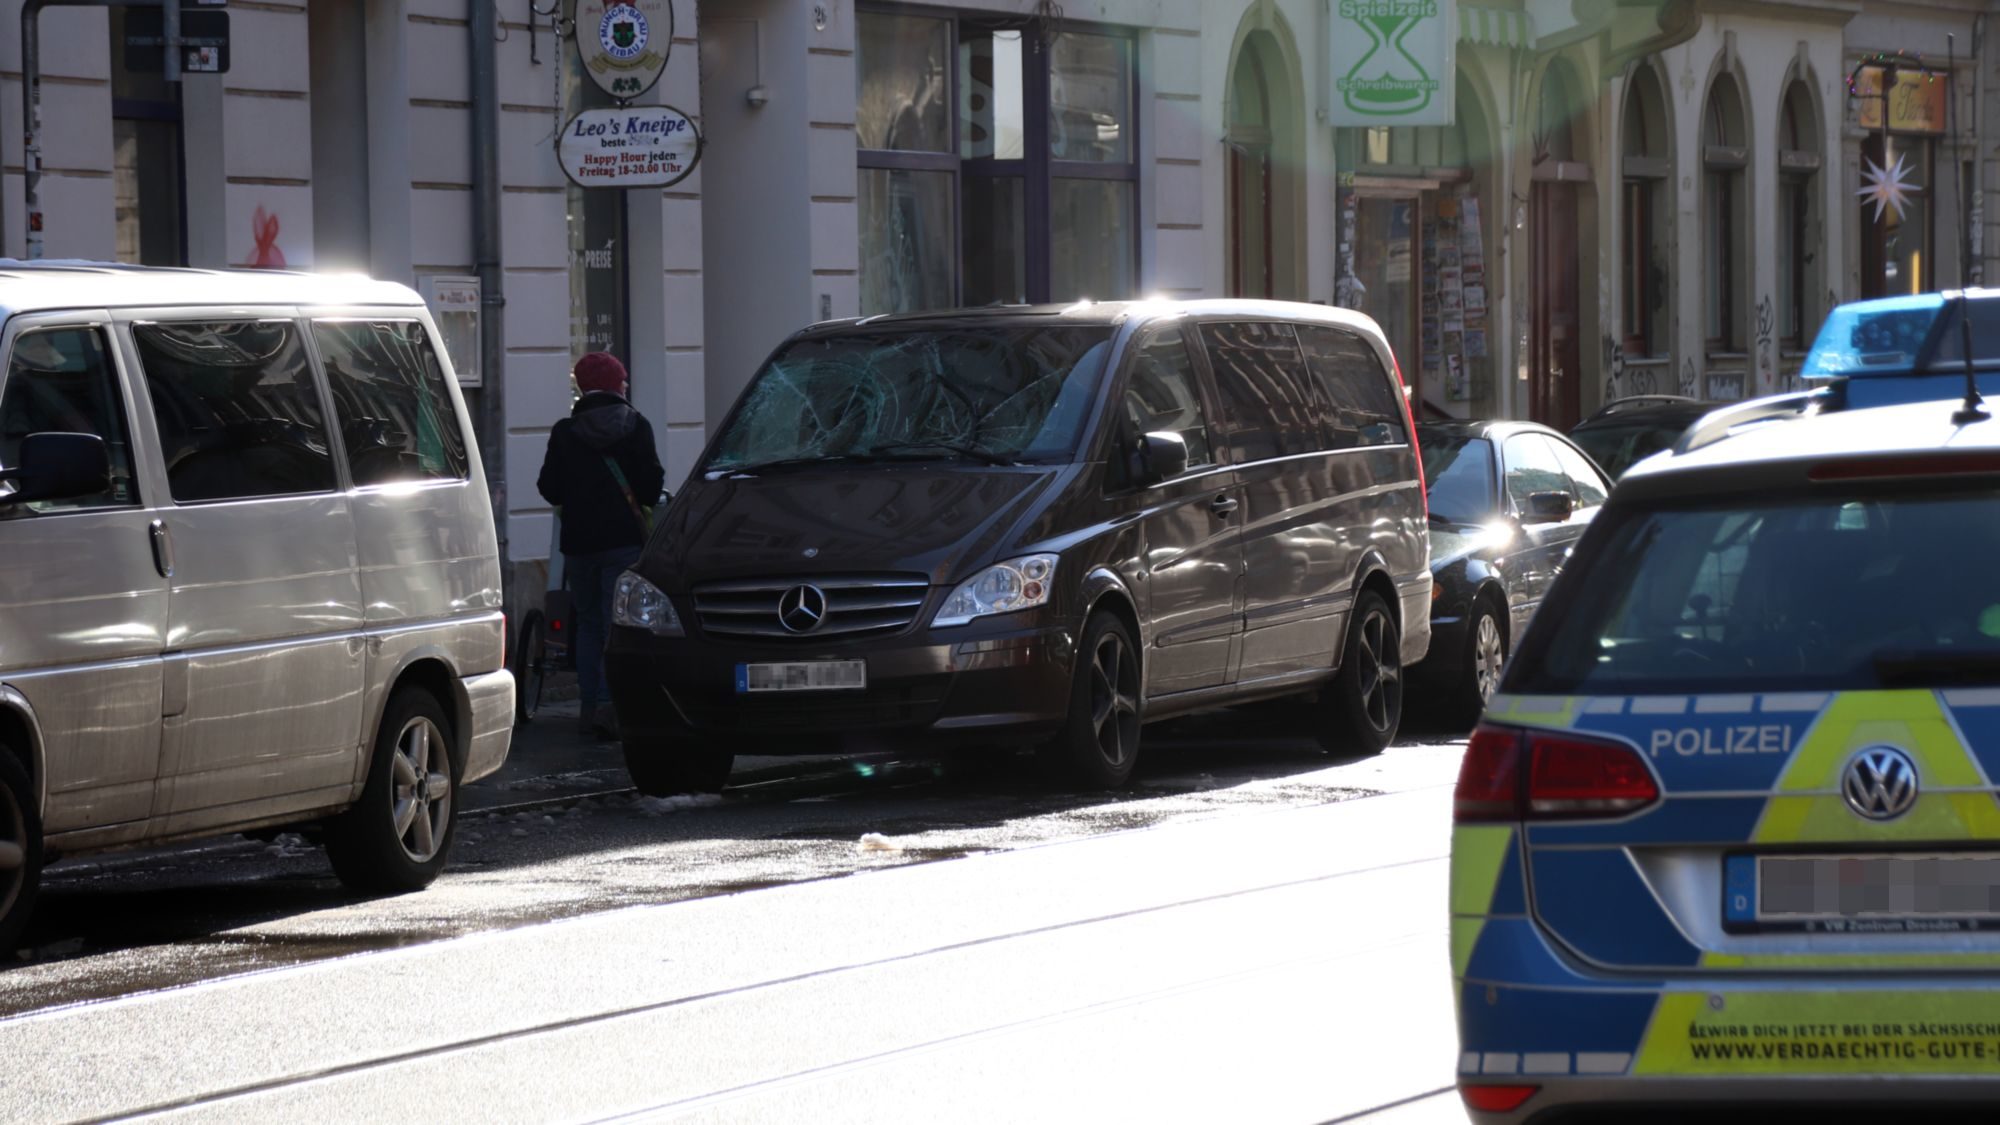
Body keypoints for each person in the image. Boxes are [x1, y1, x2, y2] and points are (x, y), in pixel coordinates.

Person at [536, 352, 666, 740]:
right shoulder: (636, 426)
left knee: (588, 624)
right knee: (617, 624)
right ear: (612, 384)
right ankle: (612, 706)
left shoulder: (565, 432)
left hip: (579, 544)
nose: (627, 384)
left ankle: (588, 703)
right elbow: (650, 486)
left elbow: (549, 488)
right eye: (622, 379)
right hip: (623, 542)